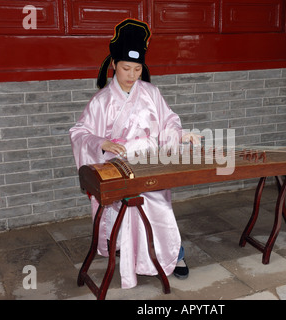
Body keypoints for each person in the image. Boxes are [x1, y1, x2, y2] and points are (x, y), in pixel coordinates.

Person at [69, 18, 198, 289]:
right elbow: (79, 132)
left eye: (137, 68)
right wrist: (101, 143)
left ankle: (174, 256)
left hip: (150, 164)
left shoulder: (151, 93)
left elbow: (169, 122)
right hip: (118, 167)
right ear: (114, 64)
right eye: (126, 68)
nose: (131, 74)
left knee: (160, 209)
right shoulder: (101, 100)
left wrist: (179, 135)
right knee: (126, 212)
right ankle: (131, 256)